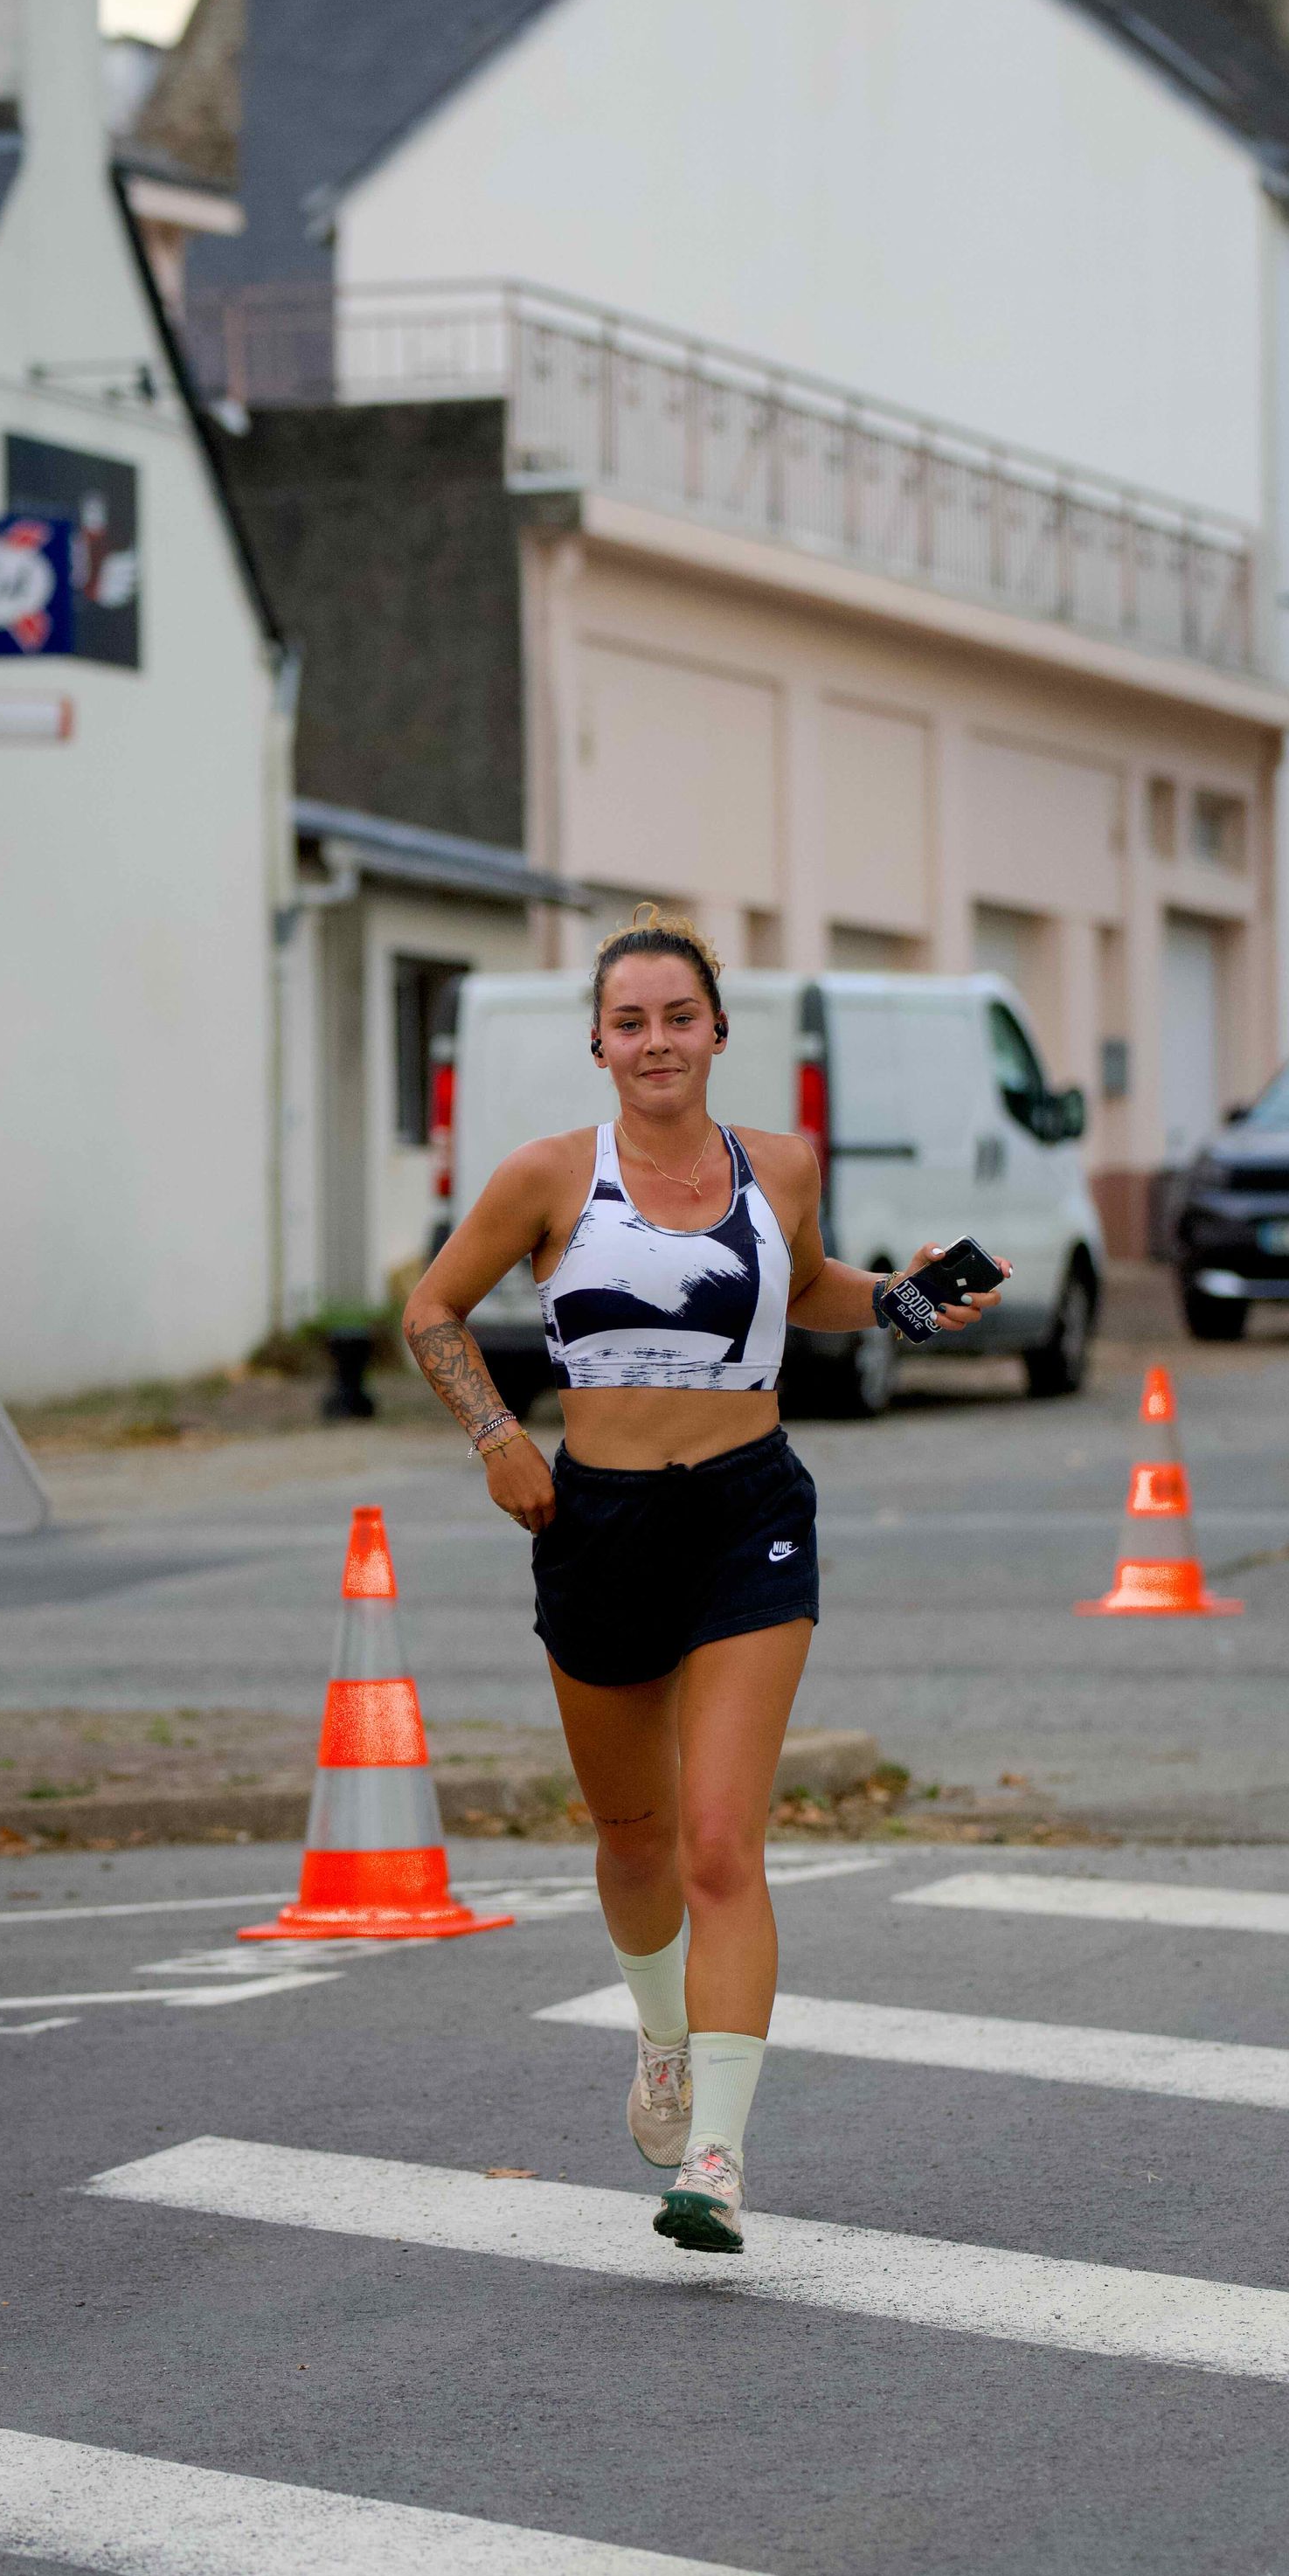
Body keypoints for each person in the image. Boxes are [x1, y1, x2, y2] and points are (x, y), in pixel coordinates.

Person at [402, 912, 998, 2252]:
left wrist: (899, 1300)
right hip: (598, 1520)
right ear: (599, 1044)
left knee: (722, 1843)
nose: (657, 1041)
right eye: (631, 1022)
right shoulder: (547, 1176)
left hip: (748, 1513)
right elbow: (431, 1309)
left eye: (680, 1017)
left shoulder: (780, 1165)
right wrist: (498, 1438)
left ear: (719, 1031)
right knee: (635, 1837)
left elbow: (807, 1285)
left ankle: (715, 2160)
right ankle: (663, 2039)